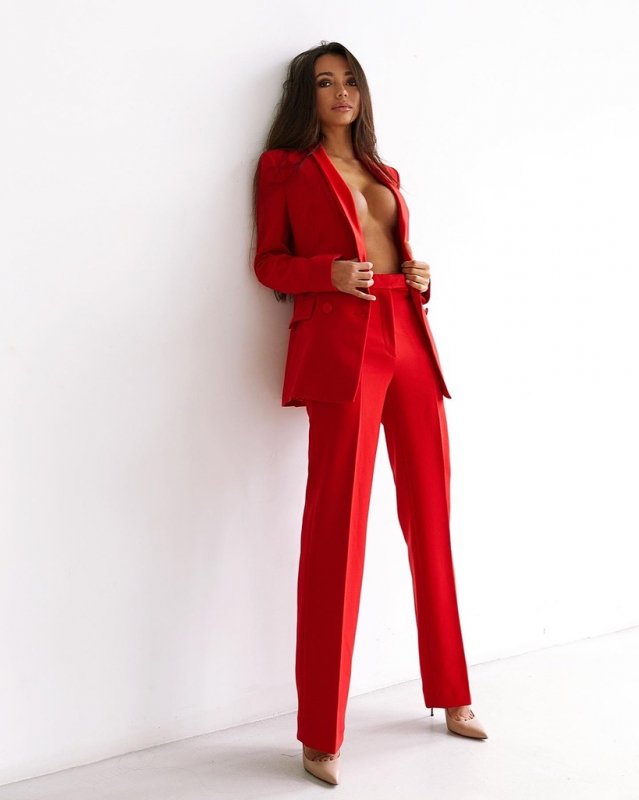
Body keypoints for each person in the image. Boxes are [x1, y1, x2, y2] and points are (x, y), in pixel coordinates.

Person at [251, 41, 488, 786]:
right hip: (343, 346)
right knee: (337, 529)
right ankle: (319, 733)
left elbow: (387, 245)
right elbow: (268, 262)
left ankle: (452, 692)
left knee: (430, 519)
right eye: (325, 82)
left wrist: (416, 276)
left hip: (407, 331)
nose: (341, 92)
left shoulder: (382, 170)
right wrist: (325, 273)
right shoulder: (283, 169)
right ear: (307, 95)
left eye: (349, 80)